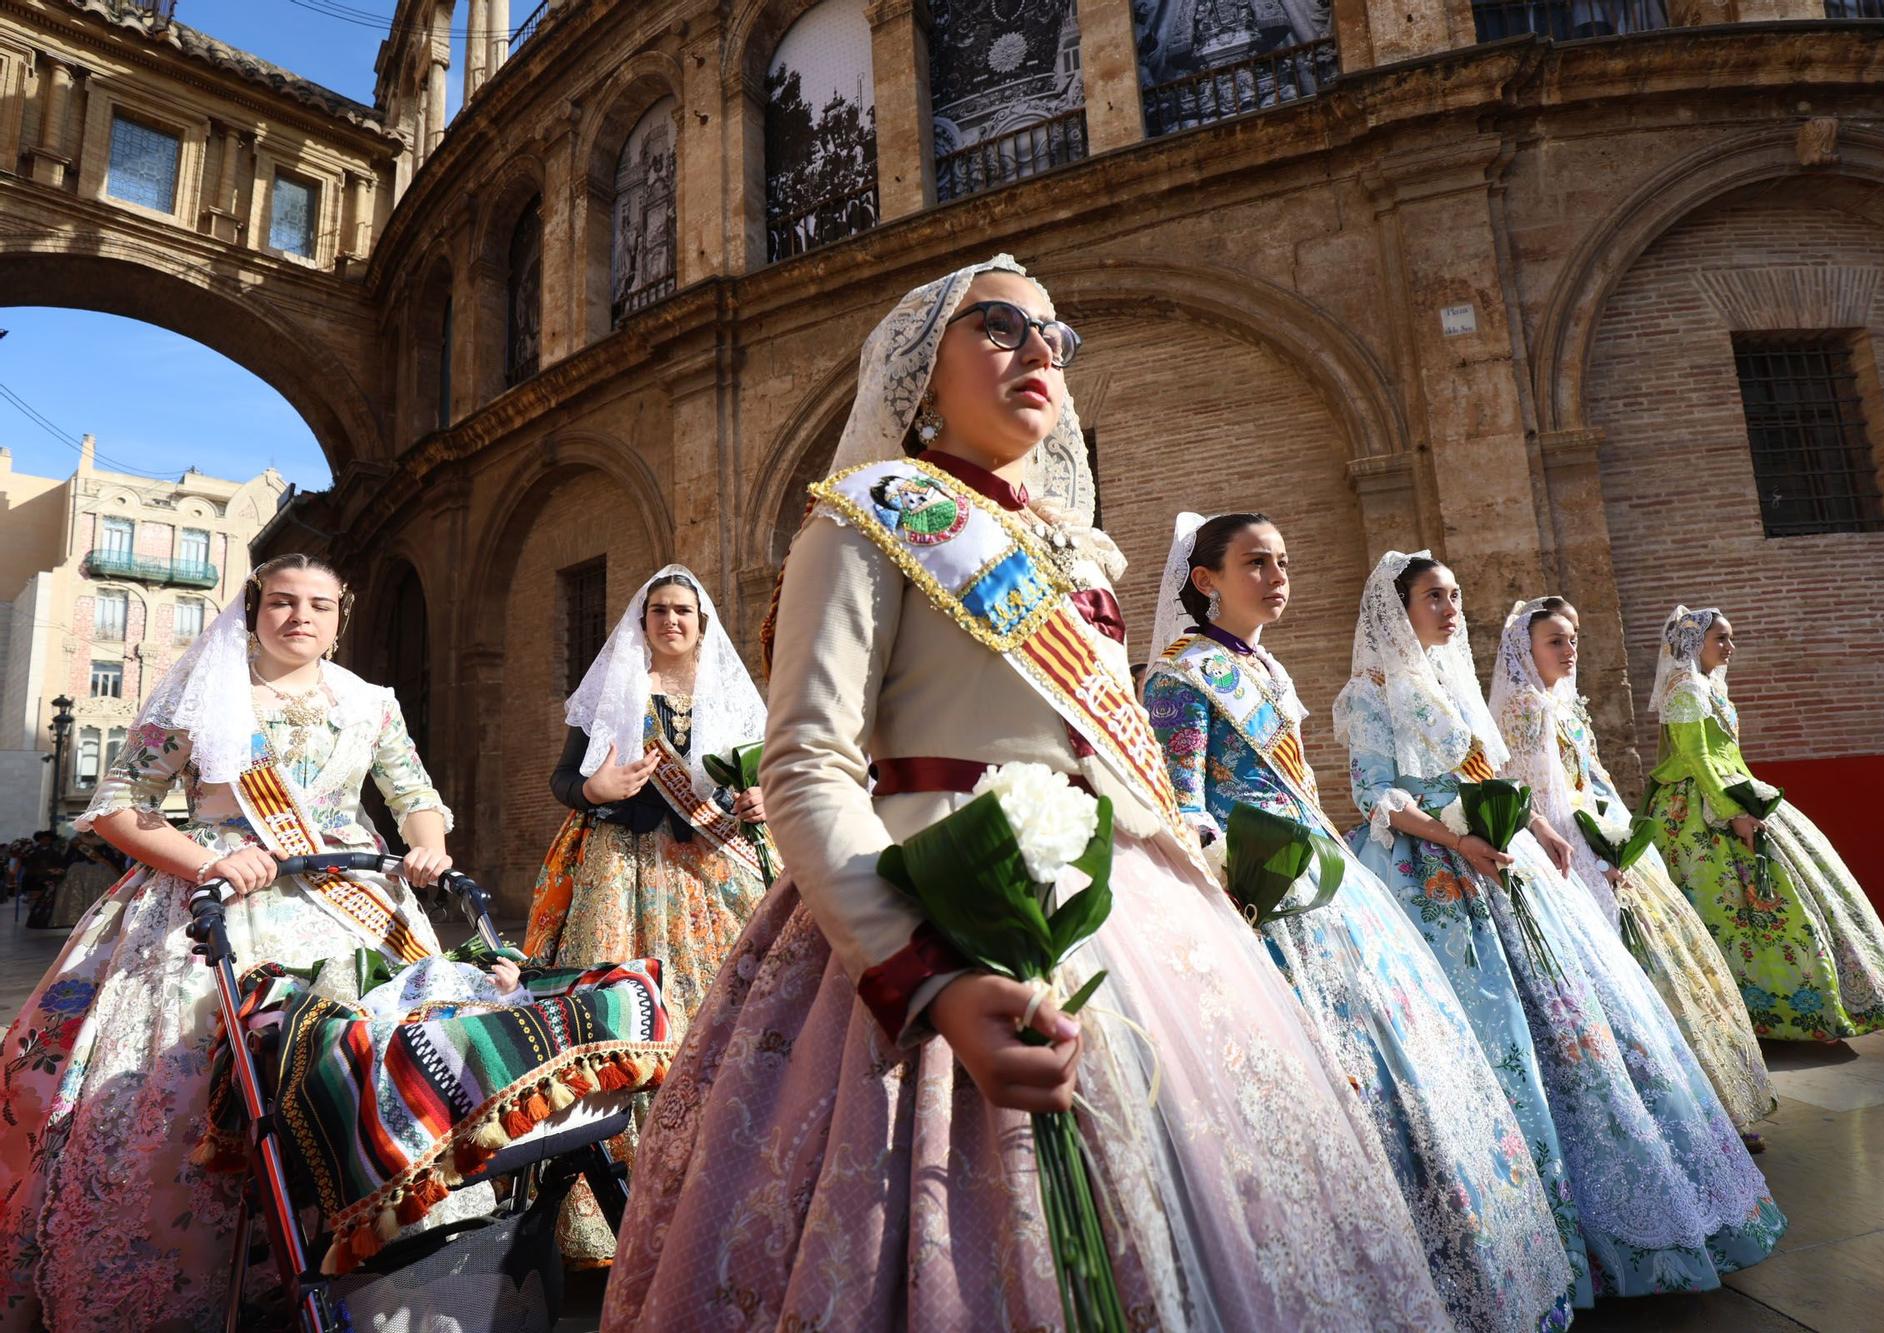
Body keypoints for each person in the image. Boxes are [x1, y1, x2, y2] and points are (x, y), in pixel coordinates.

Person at [604, 257, 1451, 1330]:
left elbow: (1116, 758)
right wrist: (927, 981)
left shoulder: (1080, 557)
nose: (1040, 351)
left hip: (1135, 932)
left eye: (1056, 336)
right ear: (917, 373)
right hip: (935, 915)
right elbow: (806, 765)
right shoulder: (863, 520)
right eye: (1000, 326)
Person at [0, 553, 468, 1330]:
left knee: (365, 1074)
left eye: (319, 604)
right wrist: (210, 859)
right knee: (193, 1085)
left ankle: (365, 1251)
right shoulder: (201, 690)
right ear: (255, 608)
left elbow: (415, 795)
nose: (300, 617)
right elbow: (120, 804)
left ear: (340, 615)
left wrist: (428, 847)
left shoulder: (371, 702)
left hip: (352, 906)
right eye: (282, 602)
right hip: (217, 904)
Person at [1144, 512, 1576, 1331]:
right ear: (1205, 580)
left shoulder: (1264, 666)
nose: (1277, 576)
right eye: (1255, 563)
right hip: (1263, 900)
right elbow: (1186, 809)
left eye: (1283, 561)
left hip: (1331, 892)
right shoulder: (1180, 677)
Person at [1335, 551, 1785, 1303]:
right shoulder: (1370, 689)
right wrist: (1455, 840)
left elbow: (1495, 775)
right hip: (1432, 876)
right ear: (1397, 608)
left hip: (1509, 865)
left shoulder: (1455, 683)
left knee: (1582, 1032)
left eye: (1453, 594)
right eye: (1432, 597)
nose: (1449, 609)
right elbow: (1373, 794)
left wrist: (1537, 823)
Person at [524, 563, 774, 1265]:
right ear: (643, 622)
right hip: (620, 867)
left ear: (701, 624)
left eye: (683, 612)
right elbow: (562, 779)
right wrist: (593, 785)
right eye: (659, 609)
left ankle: (720, 1192)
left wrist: (759, 802)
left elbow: (761, 779)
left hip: (709, 872)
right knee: (620, 1023)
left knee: (720, 1017)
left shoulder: (731, 698)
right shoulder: (614, 691)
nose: (670, 620)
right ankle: (609, 1212)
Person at [1489, 598, 1775, 1144]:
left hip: (1604, 837)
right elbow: (1529, 792)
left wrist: (1620, 839)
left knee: (1668, 965)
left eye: (1573, 639)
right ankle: (1667, 1122)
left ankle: (1712, 1109)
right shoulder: (1522, 707)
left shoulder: (1567, 704)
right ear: (1526, 649)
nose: (1569, 650)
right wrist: (1587, 851)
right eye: (1555, 641)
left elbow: (1593, 777)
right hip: (1559, 849)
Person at [1644, 605, 1884, 1041]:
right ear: (1695, 644)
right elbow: (1696, 758)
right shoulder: (1687, 687)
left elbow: (1725, 755)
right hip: (1699, 806)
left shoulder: (1710, 686)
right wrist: (1733, 811)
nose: (1730, 647)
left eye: (1730, 638)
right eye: (1721, 639)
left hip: (1735, 788)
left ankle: (1804, 1005)